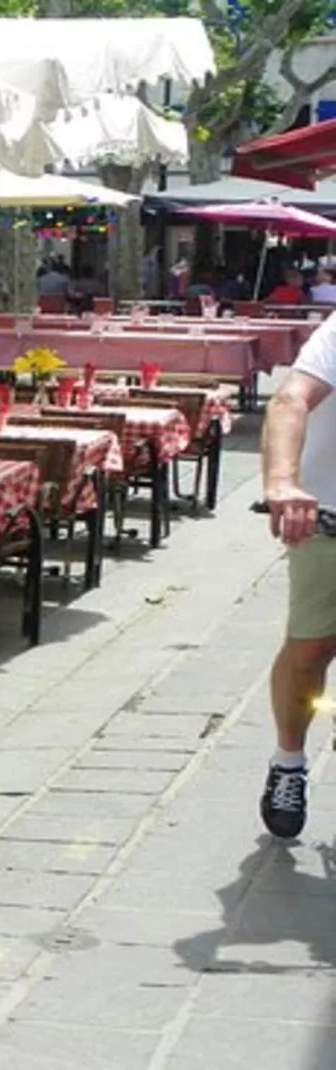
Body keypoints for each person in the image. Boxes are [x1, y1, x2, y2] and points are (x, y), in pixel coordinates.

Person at [258, 310, 336, 838]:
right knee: (311, 649)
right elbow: (290, 399)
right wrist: (282, 480)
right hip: (330, 516)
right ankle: (289, 760)